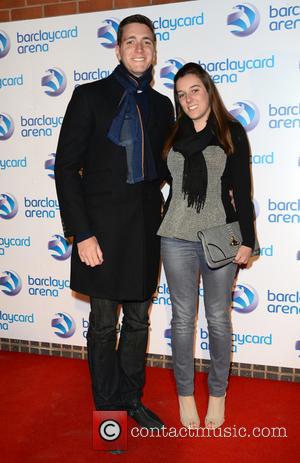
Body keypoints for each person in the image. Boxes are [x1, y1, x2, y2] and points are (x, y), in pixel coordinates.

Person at [54, 14, 174, 430]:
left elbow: (168, 169)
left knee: (139, 321)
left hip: (144, 232)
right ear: (118, 49)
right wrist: (81, 232)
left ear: (154, 51)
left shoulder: (162, 106)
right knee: (104, 325)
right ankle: (107, 406)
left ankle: (131, 398)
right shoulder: (89, 97)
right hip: (100, 234)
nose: (139, 49)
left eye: (146, 42)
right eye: (130, 42)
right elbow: (67, 168)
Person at [158, 62, 256, 429]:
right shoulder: (172, 135)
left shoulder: (230, 131)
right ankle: (185, 396)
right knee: (183, 320)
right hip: (176, 235)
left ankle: (218, 395)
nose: (188, 99)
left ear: (208, 90)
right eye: (181, 94)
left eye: (194, 90)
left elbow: (242, 191)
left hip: (221, 235)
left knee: (218, 319)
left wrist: (247, 239)